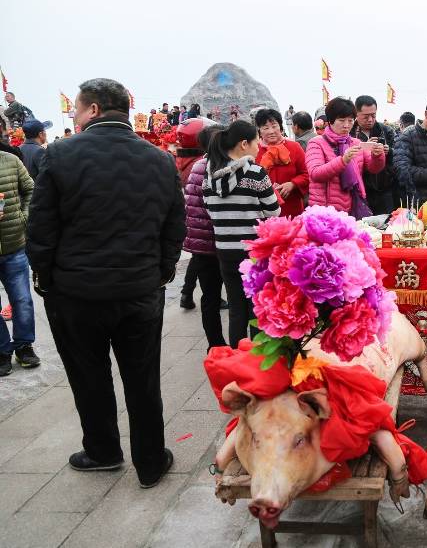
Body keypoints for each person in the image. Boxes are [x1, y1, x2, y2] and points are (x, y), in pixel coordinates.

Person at [26, 78, 185, 486]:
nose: (75, 117)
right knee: (142, 379)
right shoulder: (160, 160)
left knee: (88, 376)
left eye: (77, 109)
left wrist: (44, 278)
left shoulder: (59, 154)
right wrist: (161, 272)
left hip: (77, 294)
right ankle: (150, 462)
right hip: (138, 291)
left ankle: (103, 451)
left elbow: (41, 228)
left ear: (93, 109)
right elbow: (174, 228)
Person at [203, 120, 279, 347]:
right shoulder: (255, 173)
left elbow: (209, 209)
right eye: (257, 141)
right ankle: (257, 358)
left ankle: (238, 355)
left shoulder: (210, 174)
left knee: (236, 307)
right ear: (244, 144)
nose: (259, 146)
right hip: (254, 251)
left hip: (225, 251)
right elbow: (274, 211)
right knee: (257, 306)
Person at [183, 124, 227, 350]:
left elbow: (191, 206)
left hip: (201, 245)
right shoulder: (222, 168)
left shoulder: (198, 166)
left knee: (209, 296)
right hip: (220, 242)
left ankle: (215, 344)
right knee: (234, 295)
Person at [307, 97, 385, 215]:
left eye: (350, 120)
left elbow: (373, 168)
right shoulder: (316, 143)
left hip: (353, 206)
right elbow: (315, 173)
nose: (346, 125)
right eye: (342, 120)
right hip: (325, 209)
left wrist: (378, 155)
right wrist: (343, 160)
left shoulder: (356, 143)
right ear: (331, 121)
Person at [0, 150, 39, 377]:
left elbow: (31, 190)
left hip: (14, 245)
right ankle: (2, 350)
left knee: (22, 299)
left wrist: (24, 217)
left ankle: (24, 346)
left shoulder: (11, 160)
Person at [255, 108, 309, 217]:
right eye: (266, 128)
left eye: (274, 126)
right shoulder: (255, 150)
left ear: (280, 127)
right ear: (259, 130)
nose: (271, 131)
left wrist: (293, 184)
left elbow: (307, 174)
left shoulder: (294, 147)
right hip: (263, 210)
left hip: (292, 208)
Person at [351, 95, 397, 214]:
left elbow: (400, 154)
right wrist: (364, 148)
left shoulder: (386, 130)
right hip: (361, 190)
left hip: (385, 189)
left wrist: (389, 151)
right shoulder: (350, 133)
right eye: (366, 117)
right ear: (356, 113)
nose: (370, 119)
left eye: (373, 115)